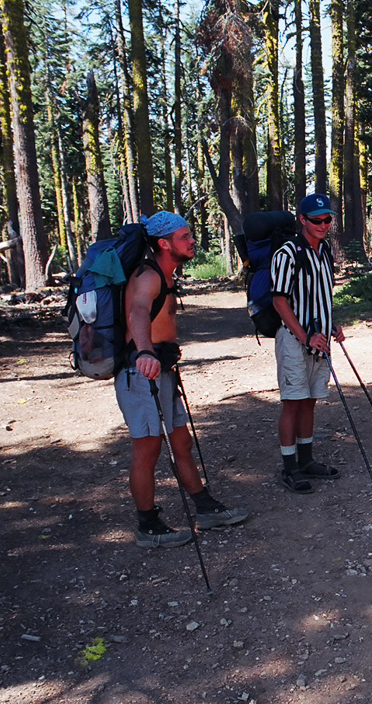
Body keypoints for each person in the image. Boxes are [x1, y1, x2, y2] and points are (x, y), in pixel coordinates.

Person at [116, 211, 248, 548]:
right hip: (141, 373)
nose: (192, 241)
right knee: (147, 450)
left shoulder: (166, 274)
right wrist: (145, 353)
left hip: (161, 371)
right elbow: (138, 312)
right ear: (164, 243)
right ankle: (148, 527)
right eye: (185, 236)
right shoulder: (148, 276)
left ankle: (205, 509)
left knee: (181, 443)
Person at [270, 193, 345, 494]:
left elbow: (321, 294)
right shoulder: (287, 253)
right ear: (302, 220)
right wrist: (304, 336)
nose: (323, 225)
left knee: (311, 399)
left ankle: (307, 460)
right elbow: (279, 300)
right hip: (294, 341)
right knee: (293, 402)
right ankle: (289, 468)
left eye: (327, 219)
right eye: (316, 220)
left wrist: (331, 324)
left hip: (320, 340)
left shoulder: (325, 249)